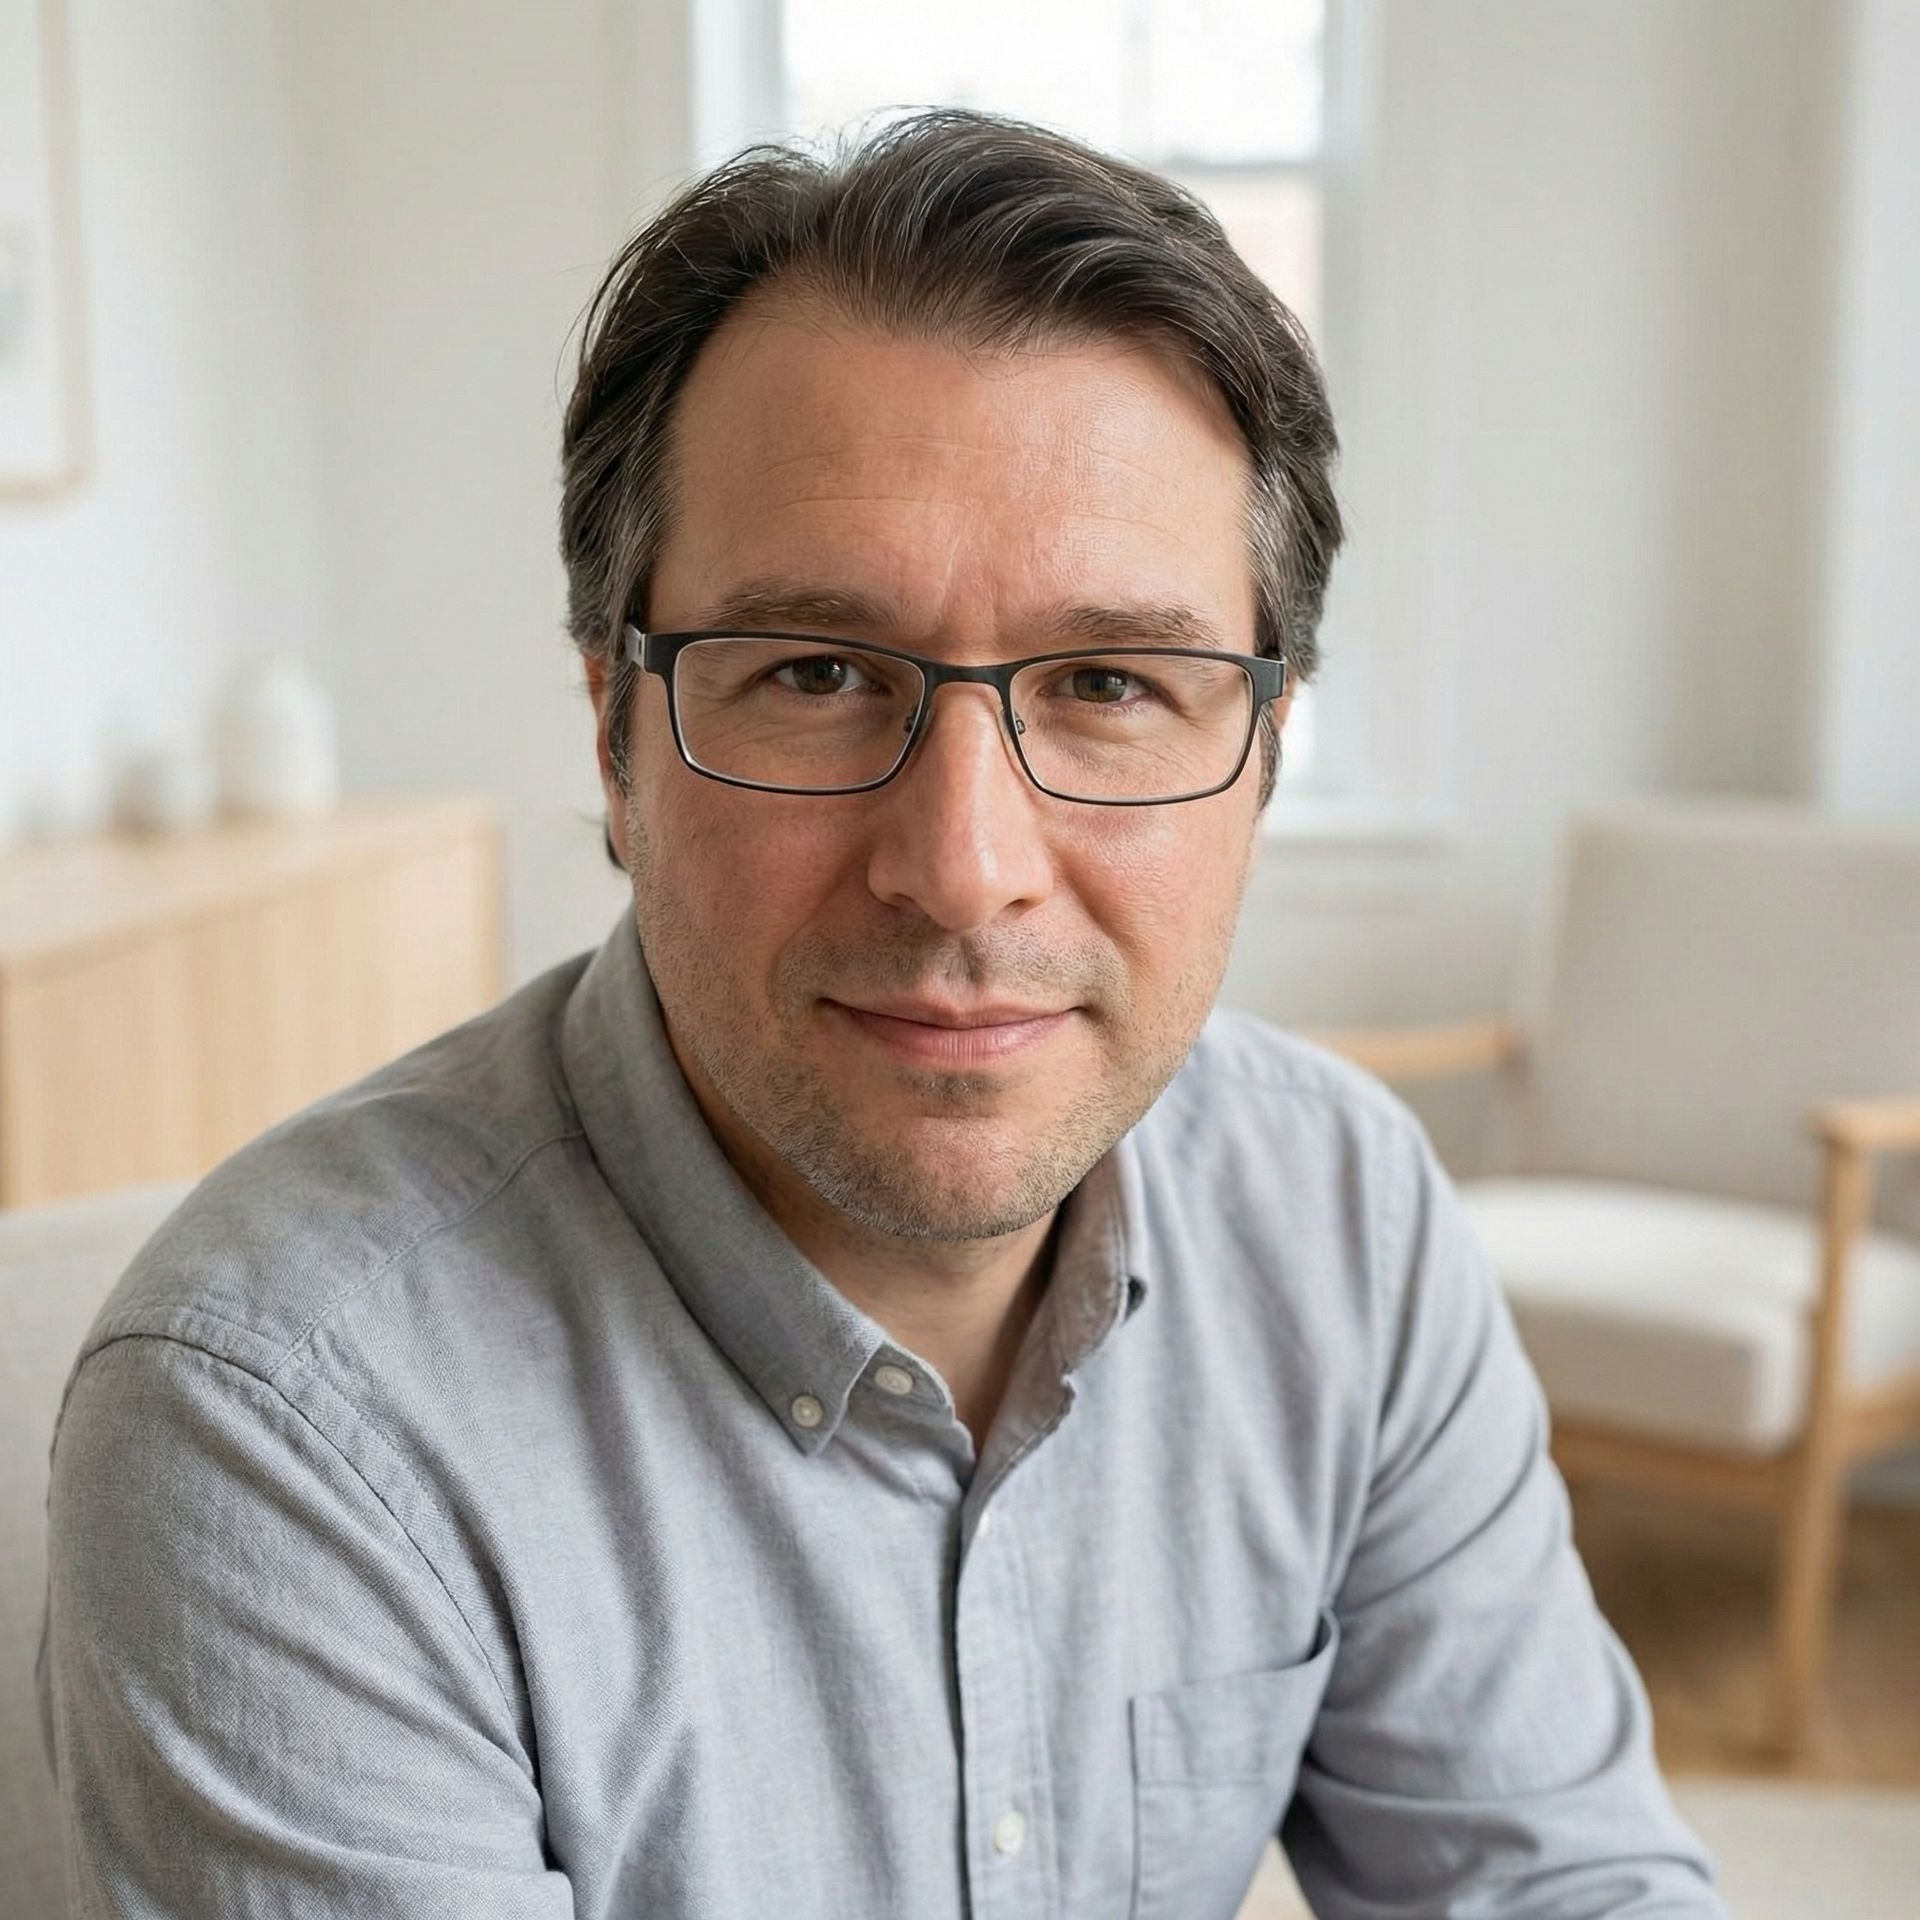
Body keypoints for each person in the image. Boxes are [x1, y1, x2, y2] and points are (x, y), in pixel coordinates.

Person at [39, 111, 1727, 1919]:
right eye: (819, 675)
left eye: (1107, 684)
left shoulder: (1346, 1221)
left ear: (1261, 762)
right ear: (615, 742)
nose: (963, 864)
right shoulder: (282, 1428)